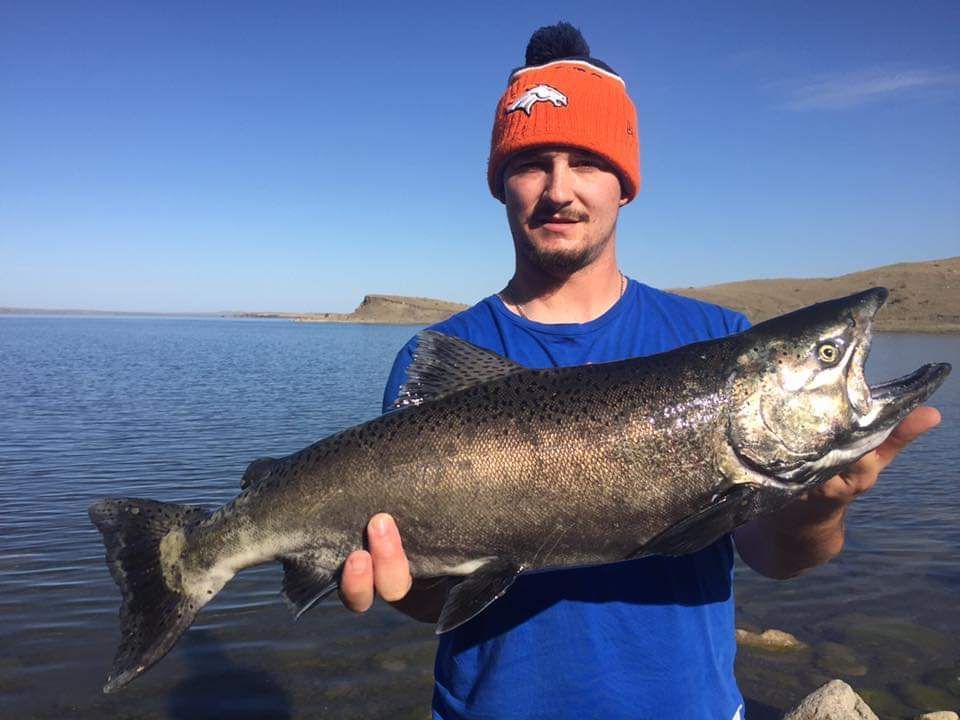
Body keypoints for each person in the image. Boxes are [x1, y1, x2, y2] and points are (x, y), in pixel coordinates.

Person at [337, 22, 941, 719]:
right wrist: (402, 584)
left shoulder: (716, 337)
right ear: (501, 183)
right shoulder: (433, 358)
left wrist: (823, 504)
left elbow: (777, 558)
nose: (559, 189)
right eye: (533, 162)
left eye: (587, 162)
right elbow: (432, 601)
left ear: (624, 184)